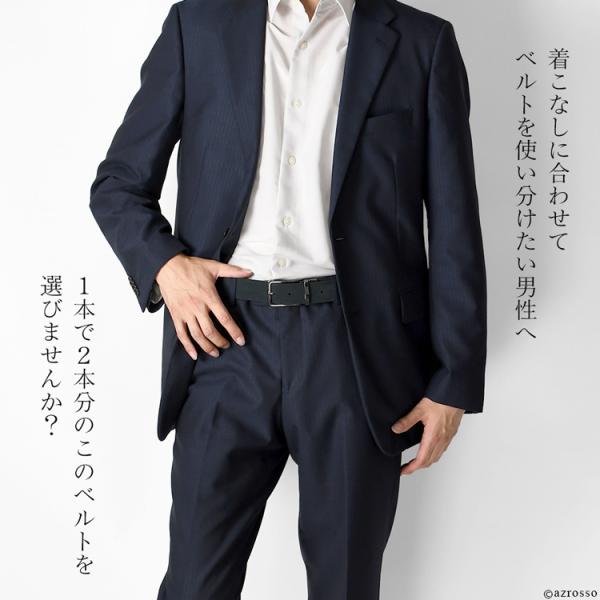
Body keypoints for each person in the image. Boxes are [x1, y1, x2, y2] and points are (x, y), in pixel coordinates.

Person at [89, 0, 487, 597]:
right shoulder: (199, 25)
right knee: (195, 584)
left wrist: (453, 380)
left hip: (355, 353)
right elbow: (118, 185)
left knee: (346, 584)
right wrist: (167, 267)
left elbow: (454, 220)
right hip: (223, 340)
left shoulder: (421, 43)